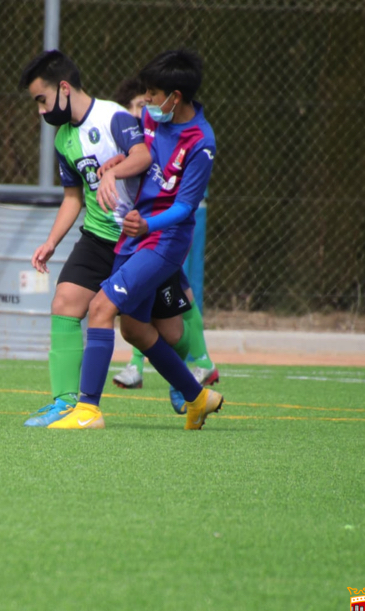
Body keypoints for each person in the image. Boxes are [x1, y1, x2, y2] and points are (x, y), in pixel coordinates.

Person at [19, 50, 196, 427]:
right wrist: (51, 241)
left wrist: (112, 173)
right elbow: (73, 197)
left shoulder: (114, 116)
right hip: (99, 238)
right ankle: (65, 403)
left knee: (168, 331)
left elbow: (144, 155)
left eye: (42, 100)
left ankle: (183, 379)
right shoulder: (64, 140)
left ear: (63, 89)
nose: (41, 110)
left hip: (141, 241)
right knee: (65, 301)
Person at [109, 77, 220, 393]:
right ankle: (190, 379)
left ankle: (86, 405)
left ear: (175, 97)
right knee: (153, 329)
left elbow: (185, 206)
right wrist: (121, 163)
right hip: (132, 234)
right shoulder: (145, 120)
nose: (145, 101)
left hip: (162, 239)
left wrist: (148, 225)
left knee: (103, 306)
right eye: (142, 95)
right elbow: (140, 159)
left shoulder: (201, 141)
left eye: (151, 95)